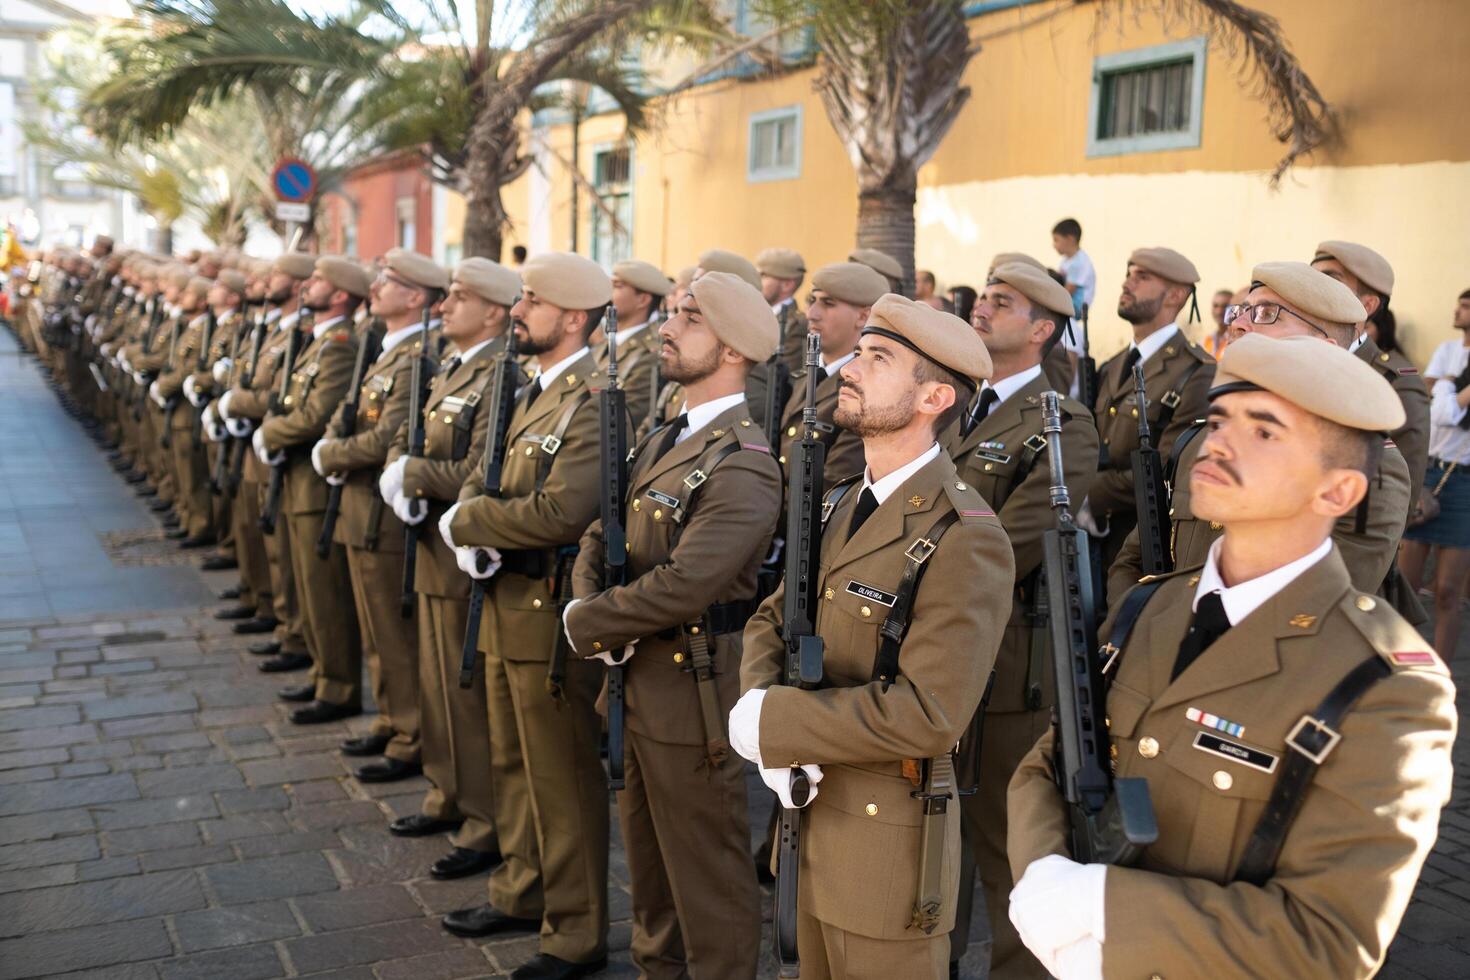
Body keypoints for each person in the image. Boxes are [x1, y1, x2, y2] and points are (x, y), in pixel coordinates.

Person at [1007, 333, 1455, 980]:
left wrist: (1102, 906)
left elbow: (1328, 944)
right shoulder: (1149, 608)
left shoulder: (1388, 685)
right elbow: (1047, 764)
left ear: (1337, 493)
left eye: (1264, 431)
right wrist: (1045, 875)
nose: (1217, 442)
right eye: (1219, 420)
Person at [733, 293, 1015, 978]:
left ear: (934, 398)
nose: (850, 370)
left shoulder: (965, 537)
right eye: (857, 352)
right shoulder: (837, 502)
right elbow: (776, 615)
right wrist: (759, 704)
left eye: (878, 357)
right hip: (809, 826)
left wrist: (779, 724)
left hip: (886, 849)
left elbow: (931, 714)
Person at [564, 271, 782, 978]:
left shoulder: (746, 464)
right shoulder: (667, 435)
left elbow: (687, 583)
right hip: (637, 680)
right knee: (651, 872)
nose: (667, 326)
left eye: (690, 318)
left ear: (732, 351)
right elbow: (605, 530)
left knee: (708, 877)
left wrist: (588, 620)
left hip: (692, 693)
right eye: (673, 313)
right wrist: (586, 601)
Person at [439, 252, 611, 980]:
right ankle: (522, 888)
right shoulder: (538, 389)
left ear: (572, 318)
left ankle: (575, 933)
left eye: (532, 300)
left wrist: (471, 522)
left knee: (561, 776)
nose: (518, 310)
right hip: (507, 598)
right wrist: (481, 525)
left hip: (545, 609)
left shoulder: (593, 400)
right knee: (511, 761)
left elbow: (561, 509)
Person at [944, 261, 1098, 979]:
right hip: (935, 656)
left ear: (1041, 329)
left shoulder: (1061, 424)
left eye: (1002, 303)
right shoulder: (952, 405)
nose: (982, 307)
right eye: (983, 296)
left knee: (1010, 859)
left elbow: (1004, 548)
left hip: (1008, 673)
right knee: (935, 852)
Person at [1108, 262, 1414, 608]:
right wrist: (1134, 629)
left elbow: (1314, 608)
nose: (1237, 324)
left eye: (1267, 313)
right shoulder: (1201, 440)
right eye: (1241, 311)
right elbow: (1134, 559)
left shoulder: (1368, 466)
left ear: (1323, 348)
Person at [380, 257, 521, 880]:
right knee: (439, 689)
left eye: (461, 296)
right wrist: (400, 467)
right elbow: (414, 440)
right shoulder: (452, 367)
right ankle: (448, 794)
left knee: (465, 699)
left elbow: (474, 471)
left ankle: (484, 821)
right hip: (433, 550)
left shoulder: (497, 376)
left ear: (493, 310)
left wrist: (412, 474)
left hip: (462, 553)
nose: (447, 304)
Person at [314, 248, 446, 784]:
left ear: (415, 296)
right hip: (358, 510)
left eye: (389, 281)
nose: (378, 287)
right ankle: (393, 718)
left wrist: (331, 453)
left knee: (393, 632)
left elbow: (385, 436)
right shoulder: (387, 348)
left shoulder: (418, 355)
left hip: (382, 517)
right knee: (375, 630)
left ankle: (411, 734)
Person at [254, 256, 368, 725]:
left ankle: (338, 685)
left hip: (316, 487)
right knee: (306, 585)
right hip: (297, 481)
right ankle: (324, 673)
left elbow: (316, 415)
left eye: (319, 280)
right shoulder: (318, 341)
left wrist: (271, 432)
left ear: (340, 294)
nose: (309, 284)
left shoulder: (339, 345)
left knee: (324, 593)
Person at [1084, 247, 1214, 579]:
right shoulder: (1113, 366)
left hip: (1140, 546)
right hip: (1089, 541)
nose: (1128, 284)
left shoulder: (1196, 370)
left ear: (1175, 295)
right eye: (1129, 274)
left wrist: (1086, 495)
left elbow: (1167, 466)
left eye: (1142, 277)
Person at [1311, 241, 1430, 515]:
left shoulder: (1395, 382)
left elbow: (1399, 497)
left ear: (1367, 305)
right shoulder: (1293, 362)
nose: (1313, 287)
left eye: (1330, 279)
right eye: (1311, 277)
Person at [1399, 288, 1470, 660]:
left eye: (1466, 306)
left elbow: (1440, 395)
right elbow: (1434, 403)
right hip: (1430, 472)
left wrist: (1448, 387)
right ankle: (1400, 666)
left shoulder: (1449, 366)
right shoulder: (1446, 350)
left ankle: (1440, 673)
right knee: (1406, 584)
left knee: (1447, 591)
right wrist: (1453, 392)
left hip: (1465, 481)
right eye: (1460, 303)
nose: (1458, 311)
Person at [773, 262, 885, 488]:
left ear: (863, 317)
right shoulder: (805, 377)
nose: (811, 314)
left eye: (828, 304)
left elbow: (832, 484)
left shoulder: (868, 393)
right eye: (812, 301)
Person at [1203, 288, 1233, 357]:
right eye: (1215, 306)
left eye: (1225, 306)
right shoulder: (1207, 340)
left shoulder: (1238, 340)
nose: (1219, 311)